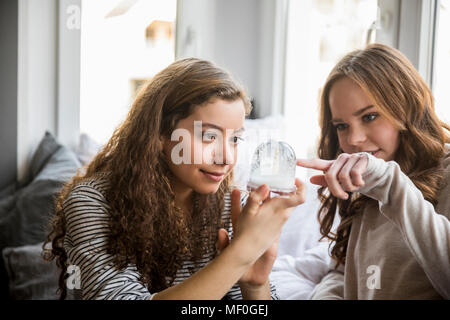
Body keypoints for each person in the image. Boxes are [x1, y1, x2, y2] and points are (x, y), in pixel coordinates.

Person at [43, 58, 305, 300]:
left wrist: (255, 286)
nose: (226, 157)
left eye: (235, 139)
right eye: (209, 136)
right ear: (160, 135)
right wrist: (240, 253)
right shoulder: (92, 201)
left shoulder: (231, 205)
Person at [297, 43, 450, 299]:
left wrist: (390, 185)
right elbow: (343, 271)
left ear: (405, 106)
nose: (354, 139)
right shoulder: (365, 185)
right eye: (342, 125)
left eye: (369, 117)